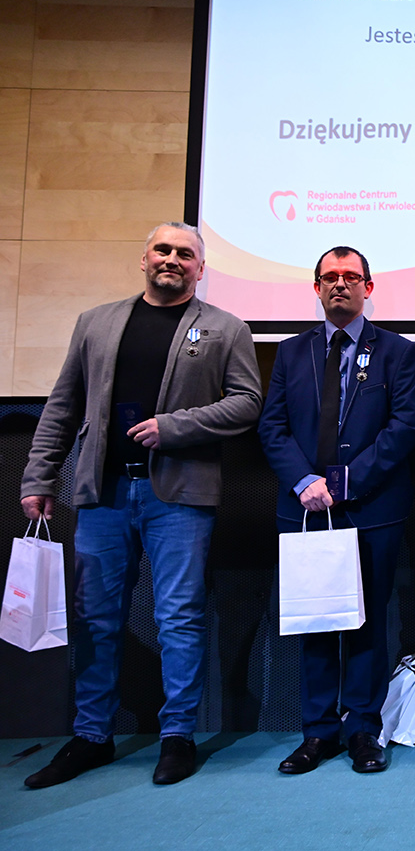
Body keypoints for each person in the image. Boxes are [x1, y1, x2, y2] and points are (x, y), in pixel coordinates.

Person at [20, 222, 262, 788]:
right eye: (163, 249)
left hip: (179, 496)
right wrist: (38, 476)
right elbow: (62, 405)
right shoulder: (96, 322)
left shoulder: (225, 327)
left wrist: (174, 427)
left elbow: (248, 402)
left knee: (179, 617)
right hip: (102, 492)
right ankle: (91, 736)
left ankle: (177, 736)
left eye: (186, 253)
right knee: (95, 617)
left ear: (201, 269)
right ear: (145, 258)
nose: (172, 259)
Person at [259, 246, 415, 775]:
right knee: (316, 619)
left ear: (368, 288)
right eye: (330, 277)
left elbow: (404, 427)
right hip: (306, 508)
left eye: (351, 276)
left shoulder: (397, 351)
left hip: (372, 507)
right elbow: (272, 427)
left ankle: (363, 730)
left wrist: (347, 481)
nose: (340, 284)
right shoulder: (291, 352)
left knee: (369, 621)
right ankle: (318, 732)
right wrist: (305, 481)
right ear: (316, 288)